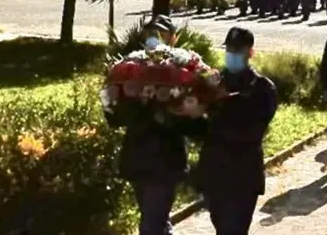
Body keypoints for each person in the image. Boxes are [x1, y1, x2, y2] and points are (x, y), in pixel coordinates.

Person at [105, 14, 193, 235]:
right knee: (155, 220)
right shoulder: (130, 68)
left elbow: (196, 120)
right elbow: (113, 118)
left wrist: (169, 109)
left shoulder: (184, 71)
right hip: (138, 159)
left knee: (151, 225)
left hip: (165, 162)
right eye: (150, 34)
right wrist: (112, 99)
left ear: (173, 38)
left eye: (160, 34)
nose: (154, 39)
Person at [191, 27, 277, 235]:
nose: (232, 55)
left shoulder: (262, 88)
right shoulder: (212, 82)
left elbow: (252, 134)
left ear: (250, 53)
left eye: (238, 50)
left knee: (233, 230)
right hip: (214, 172)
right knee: (222, 227)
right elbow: (197, 132)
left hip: (243, 175)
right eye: (229, 49)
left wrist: (215, 120)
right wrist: (191, 113)